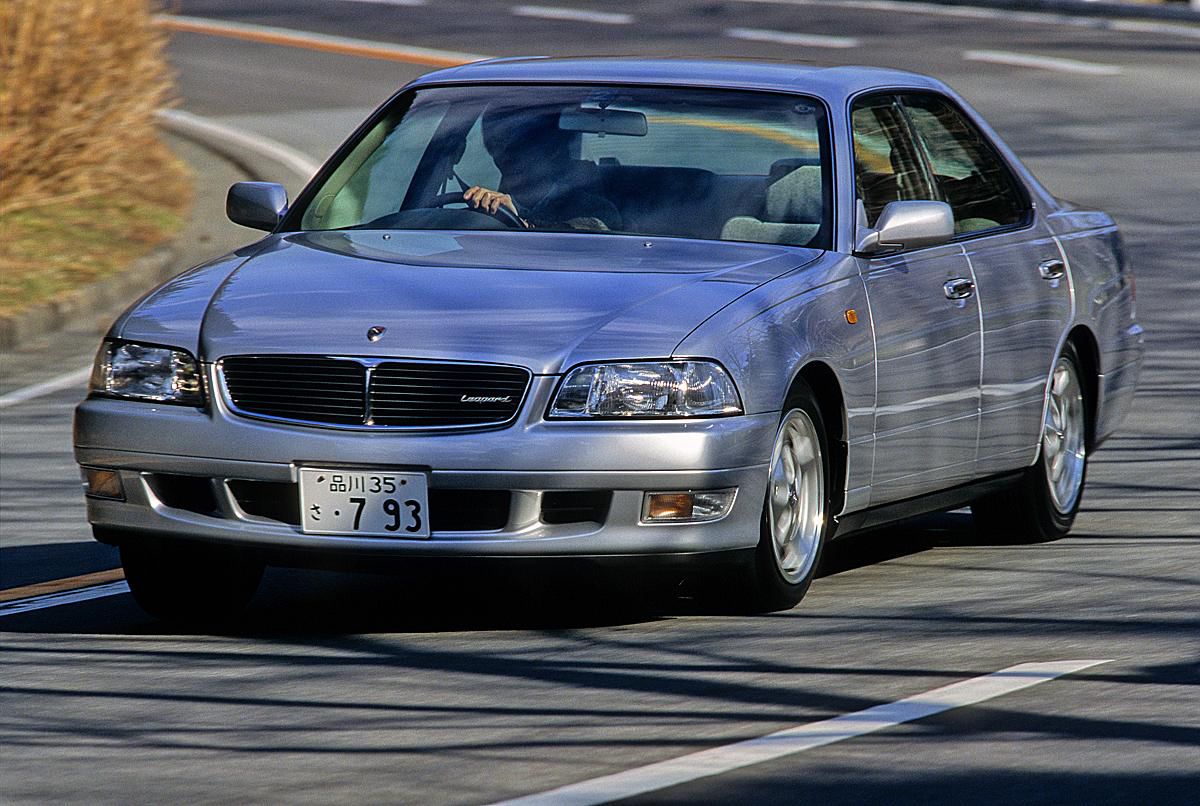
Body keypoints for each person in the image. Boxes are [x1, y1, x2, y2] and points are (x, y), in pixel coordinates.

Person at [462, 107, 621, 231]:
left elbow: (593, 239)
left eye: (519, 145)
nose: (504, 156)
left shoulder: (595, 209)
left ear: (552, 149)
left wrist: (522, 224)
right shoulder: (485, 210)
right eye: (496, 145)